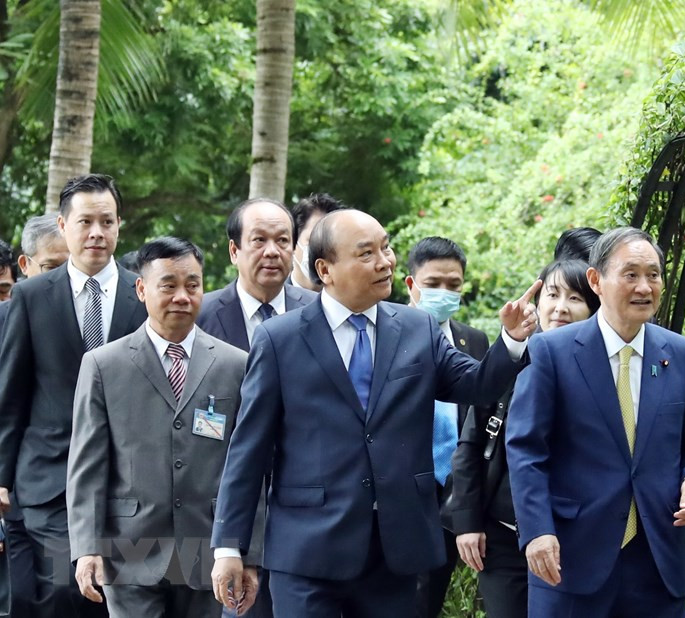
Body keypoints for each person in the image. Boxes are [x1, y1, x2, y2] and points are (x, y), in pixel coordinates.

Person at [210, 209, 540, 617]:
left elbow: (477, 385)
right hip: (308, 551)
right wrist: (229, 546)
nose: (385, 261)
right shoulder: (280, 339)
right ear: (325, 269)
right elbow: (249, 450)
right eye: (367, 253)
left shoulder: (417, 328)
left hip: (395, 550)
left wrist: (510, 340)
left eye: (386, 248)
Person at [506, 227, 685, 617]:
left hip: (657, 558)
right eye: (631, 274)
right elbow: (525, 448)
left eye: (653, 275)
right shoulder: (551, 351)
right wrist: (537, 530)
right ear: (595, 280)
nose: (644, 286)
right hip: (570, 557)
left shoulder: (682, 354)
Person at [66, 237, 261, 618]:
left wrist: (247, 552)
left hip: (208, 550)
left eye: (193, 285)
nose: (182, 297)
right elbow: (87, 466)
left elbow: (249, 467)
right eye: (168, 285)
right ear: (141, 289)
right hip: (128, 551)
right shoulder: (104, 365)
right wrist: (86, 547)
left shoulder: (235, 365)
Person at [0, 174, 147, 618]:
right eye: (85, 222)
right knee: (66, 588)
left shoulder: (144, 294)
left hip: (130, 479)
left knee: (117, 596)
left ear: (120, 224)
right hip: (48, 477)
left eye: (106, 221)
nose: (96, 233)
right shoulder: (29, 296)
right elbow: (11, 394)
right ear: (63, 226)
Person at [453, 259, 600, 618]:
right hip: (504, 534)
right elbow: (471, 444)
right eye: (552, 294)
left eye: (575, 298)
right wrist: (467, 522)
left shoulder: (602, 370)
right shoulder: (514, 356)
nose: (561, 307)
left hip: (571, 537)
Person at [403, 236, 490, 618]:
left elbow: (480, 417)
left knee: (429, 601)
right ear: (411, 284)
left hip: (451, 492)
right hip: (400, 492)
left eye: (453, 285)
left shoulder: (473, 340)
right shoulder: (386, 333)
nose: (444, 292)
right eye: (433, 284)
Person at [0, 213, 70, 618]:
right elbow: (7, 404)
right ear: (25, 267)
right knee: (19, 598)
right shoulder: (8, 319)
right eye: (50, 268)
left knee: (61, 595)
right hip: (18, 489)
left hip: (66, 493)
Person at [198, 198, 316, 352]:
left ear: (293, 249)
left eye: (282, 240)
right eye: (259, 240)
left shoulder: (317, 310)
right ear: (234, 251)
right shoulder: (200, 314)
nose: (272, 252)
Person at [289, 192, 344, 291]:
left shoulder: (352, 300)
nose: (322, 247)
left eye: (331, 241)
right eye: (314, 238)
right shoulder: (273, 298)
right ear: (293, 241)